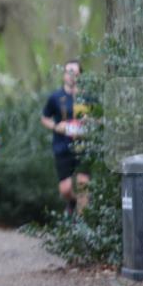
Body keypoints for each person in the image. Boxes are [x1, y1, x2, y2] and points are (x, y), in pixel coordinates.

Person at [40, 60, 90, 216]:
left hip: (84, 146)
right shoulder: (56, 97)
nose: (72, 76)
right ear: (63, 75)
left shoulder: (87, 96)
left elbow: (100, 118)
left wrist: (90, 122)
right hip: (63, 146)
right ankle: (73, 202)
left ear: (80, 75)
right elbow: (44, 118)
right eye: (68, 72)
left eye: (75, 72)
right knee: (65, 189)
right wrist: (56, 126)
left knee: (83, 183)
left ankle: (83, 224)